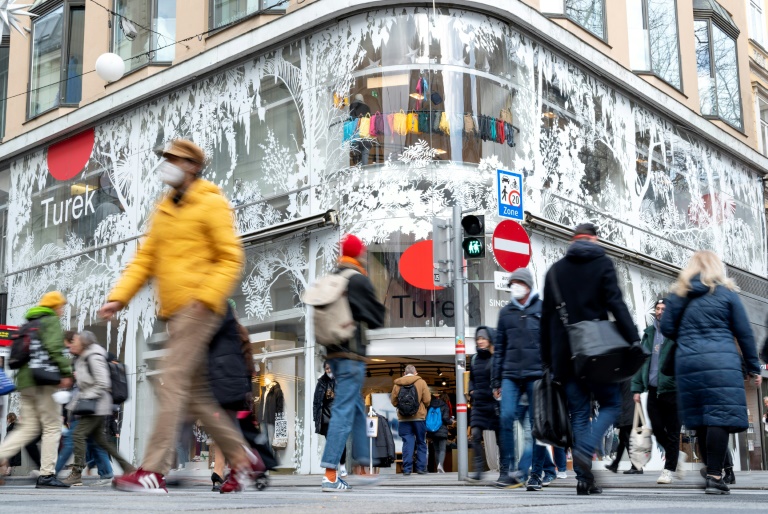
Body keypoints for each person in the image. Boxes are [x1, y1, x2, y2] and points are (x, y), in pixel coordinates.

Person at [100, 139, 263, 494]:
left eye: (174, 159)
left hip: (198, 306)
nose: (167, 165)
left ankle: (152, 471)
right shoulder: (163, 209)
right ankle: (242, 459)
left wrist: (206, 297)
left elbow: (230, 256)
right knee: (195, 395)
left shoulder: (210, 201)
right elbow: (145, 259)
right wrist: (118, 297)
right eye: (166, 159)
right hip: (175, 313)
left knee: (171, 381)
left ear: (192, 165)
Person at [540, 223, 640, 496]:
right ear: (594, 240)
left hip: (566, 356)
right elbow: (616, 304)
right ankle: (586, 450)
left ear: (573, 241)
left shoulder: (555, 271)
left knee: (579, 414)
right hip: (596, 353)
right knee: (611, 403)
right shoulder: (602, 264)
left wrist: (547, 360)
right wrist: (633, 339)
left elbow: (546, 320)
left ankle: (584, 480)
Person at [660, 250, 762, 495]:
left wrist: (689, 335)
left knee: (701, 418)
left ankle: (711, 470)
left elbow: (666, 328)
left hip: (688, 363)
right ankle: (715, 476)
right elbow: (744, 333)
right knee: (719, 416)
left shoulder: (678, 295)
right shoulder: (727, 294)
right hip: (721, 362)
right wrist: (753, 366)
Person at [318, 234, 385, 491]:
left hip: (333, 355)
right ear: (358, 253)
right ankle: (330, 474)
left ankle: (364, 466)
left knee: (356, 408)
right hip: (352, 356)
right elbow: (377, 318)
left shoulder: (333, 278)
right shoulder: (357, 279)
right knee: (343, 411)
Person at [0, 291, 73, 489]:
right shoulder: (50, 321)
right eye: (61, 306)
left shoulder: (29, 323)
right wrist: (66, 372)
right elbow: (54, 348)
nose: (62, 310)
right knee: (52, 426)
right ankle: (47, 474)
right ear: (55, 306)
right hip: (44, 380)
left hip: (25, 382)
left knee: (29, 428)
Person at [491, 267, 544, 489]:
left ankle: (533, 474)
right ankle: (509, 470)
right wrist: (496, 381)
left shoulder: (542, 309)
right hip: (510, 374)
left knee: (537, 426)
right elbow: (499, 348)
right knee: (505, 417)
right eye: (512, 283)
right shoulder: (506, 313)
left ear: (528, 285)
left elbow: (551, 344)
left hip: (536, 374)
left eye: (519, 283)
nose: (515, 287)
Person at [62, 331, 135, 486]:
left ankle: (76, 474)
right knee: (102, 441)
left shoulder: (93, 356)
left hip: (96, 405)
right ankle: (128, 468)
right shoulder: (83, 357)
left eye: (75, 342)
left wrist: (86, 397)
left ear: (83, 343)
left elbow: (103, 383)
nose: (72, 345)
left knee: (78, 435)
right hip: (95, 404)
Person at [631, 299, 685, 484]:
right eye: (658, 308)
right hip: (654, 390)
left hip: (673, 389)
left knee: (673, 431)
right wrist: (637, 388)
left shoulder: (677, 333)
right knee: (657, 428)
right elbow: (641, 362)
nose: (660, 312)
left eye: (664, 309)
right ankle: (676, 455)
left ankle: (668, 469)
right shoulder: (649, 333)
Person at [467, 326, 505, 482]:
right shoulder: (474, 359)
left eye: (483, 338)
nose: (480, 341)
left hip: (494, 404)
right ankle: (479, 469)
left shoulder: (496, 357)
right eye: (478, 339)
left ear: (490, 340)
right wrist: (471, 390)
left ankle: (504, 471)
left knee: (500, 439)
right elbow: (471, 378)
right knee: (475, 435)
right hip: (479, 404)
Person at [391, 365, 431, 476]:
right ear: (415, 373)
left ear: (404, 373)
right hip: (419, 417)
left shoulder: (397, 384)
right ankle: (421, 468)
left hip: (403, 418)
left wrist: (402, 407)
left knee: (407, 442)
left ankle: (407, 469)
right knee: (421, 442)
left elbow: (394, 401)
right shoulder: (421, 382)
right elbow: (427, 400)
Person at [314, 362, 347, 478]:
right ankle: (333, 468)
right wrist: (316, 418)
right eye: (327, 368)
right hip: (326, 418)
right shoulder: (321, 382)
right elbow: (316, 402)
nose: (329, 370)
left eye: (331, 368)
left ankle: (342, 465)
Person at [605, 381, 640, 474]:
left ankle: (636, 466)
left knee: (627, 440)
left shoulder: (622, 378)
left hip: (626, 412)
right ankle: (615, 465)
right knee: (623, 439)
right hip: (629, 411)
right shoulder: (630, 377)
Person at [425, 390, 451, 473]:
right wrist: (451, 422)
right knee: (442, 449)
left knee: (436, 450)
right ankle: (440, 465)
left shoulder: (431, 405)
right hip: (442, 429)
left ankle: (438, 467)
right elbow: (445, 418)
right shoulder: (445, 406)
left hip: (433, 430)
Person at [349, 93, 373, 166]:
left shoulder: (351, 107)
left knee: (356, 153)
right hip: (365, 133)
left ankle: (357, 166)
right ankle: (364, 168)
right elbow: (369, 120)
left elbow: (351, 120)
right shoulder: (366, 108)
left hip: (355, 133)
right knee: (365, 153)